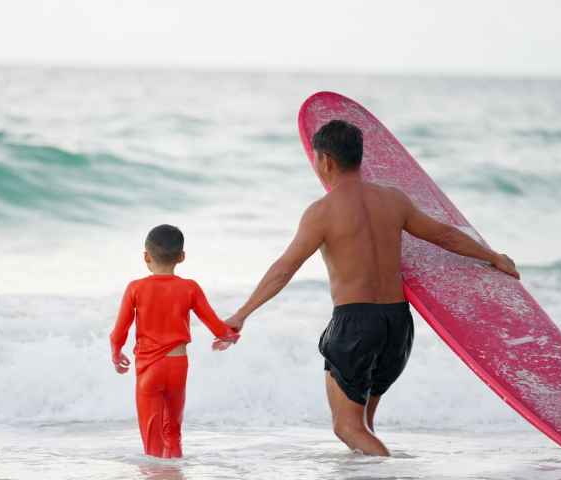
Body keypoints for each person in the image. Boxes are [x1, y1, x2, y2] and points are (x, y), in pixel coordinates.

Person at [215, 120, 519, 456]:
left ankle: (393, 473)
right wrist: (493, 257)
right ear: (359, 157)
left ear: (325, 161)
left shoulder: (321, 212)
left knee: (346, 427)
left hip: (356, 325)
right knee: (363, 427)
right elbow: (443, 236)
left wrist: (242, 313)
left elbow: (284, 269)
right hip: (398, 326)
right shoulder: (394, 199)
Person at [110, 224, 240, 458]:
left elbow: (119, 333)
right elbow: (216, 325)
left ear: (146, 257)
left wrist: (117, 355)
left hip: (150, 369)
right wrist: (230, 336)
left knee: (152, 439)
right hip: (179, 367)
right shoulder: (190, 287)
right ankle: (174, 473)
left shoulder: (136, 288)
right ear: (181, 257)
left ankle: (155, 474)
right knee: (173, 432)